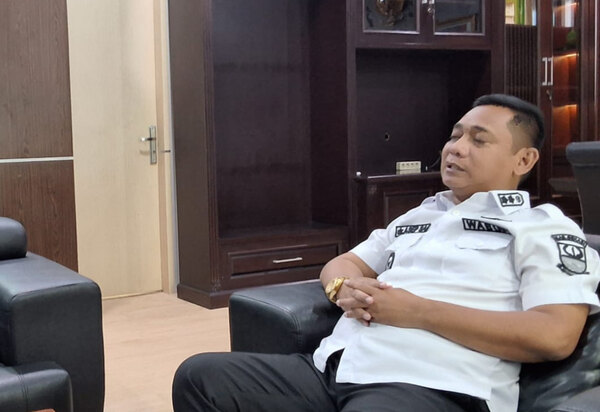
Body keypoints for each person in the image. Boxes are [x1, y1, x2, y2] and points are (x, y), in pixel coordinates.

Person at [172, 94, 600, 412]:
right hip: (335, 370)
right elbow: (344, 263)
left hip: (432, 386)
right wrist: (342, 287)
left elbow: (554, 336)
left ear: (523, 160)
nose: (456, 147)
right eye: (455, 135)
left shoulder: (542, 227)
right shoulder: (420, 215)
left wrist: (420, 312)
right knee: (201, 377)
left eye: (479, 140)